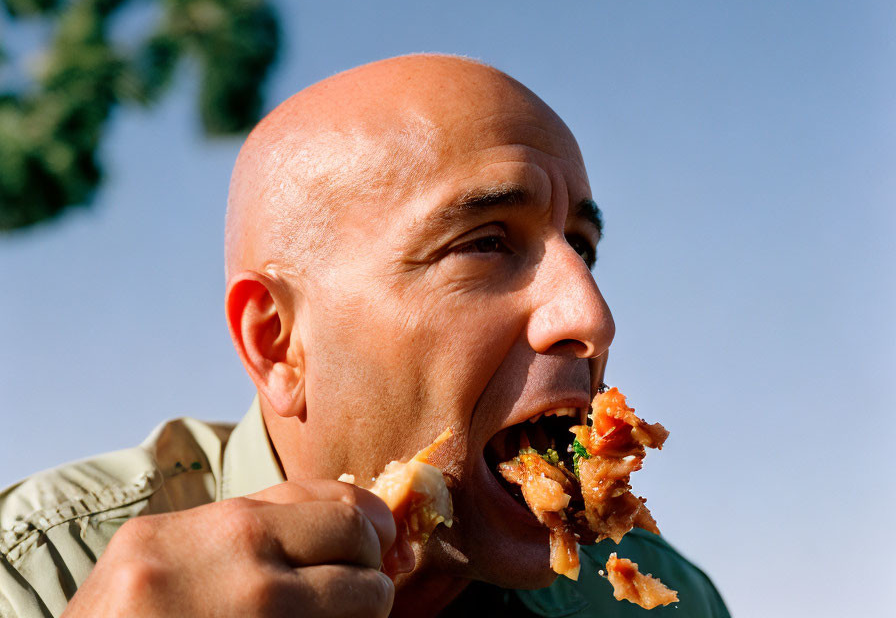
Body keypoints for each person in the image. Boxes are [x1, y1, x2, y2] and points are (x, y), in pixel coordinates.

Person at [0, 55, 729, 617]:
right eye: (485, 244)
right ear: (279, 342)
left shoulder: (664, 601)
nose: (591, 316)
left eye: (583, 247)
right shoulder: (37, 576)